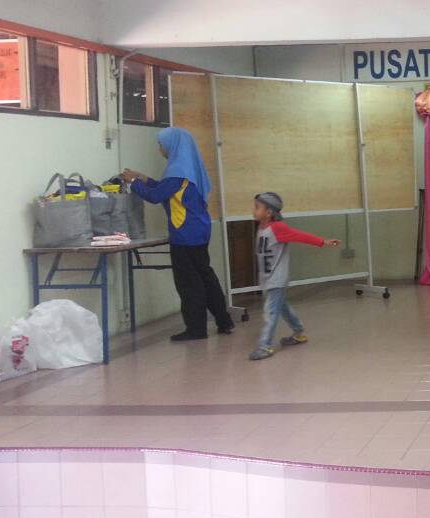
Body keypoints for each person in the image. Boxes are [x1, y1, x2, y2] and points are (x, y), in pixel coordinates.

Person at [123, 127, 234, 342]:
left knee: (189, 283)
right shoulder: (187, 168)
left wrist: (133, 183)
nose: (160, 149)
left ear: (172, 145)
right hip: (199, 229)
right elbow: (165, 189)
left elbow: (156, 196)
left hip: (185, 232)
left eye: (161, 145)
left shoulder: (176, 171)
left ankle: (196, 329)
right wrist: (143, 178)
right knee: (206, 277)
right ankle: (224, 320)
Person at [249, 192, 340, 361]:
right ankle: (299, 333)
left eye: (257, 207)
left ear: (268, 212)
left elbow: (300, 236)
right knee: (282, 307)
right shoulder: (261, 228)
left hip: (277, 279)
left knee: (270, 312)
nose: (253, 210)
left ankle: (265, 346)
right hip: (268, 278)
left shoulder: (278, 228)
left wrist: (323, 241)